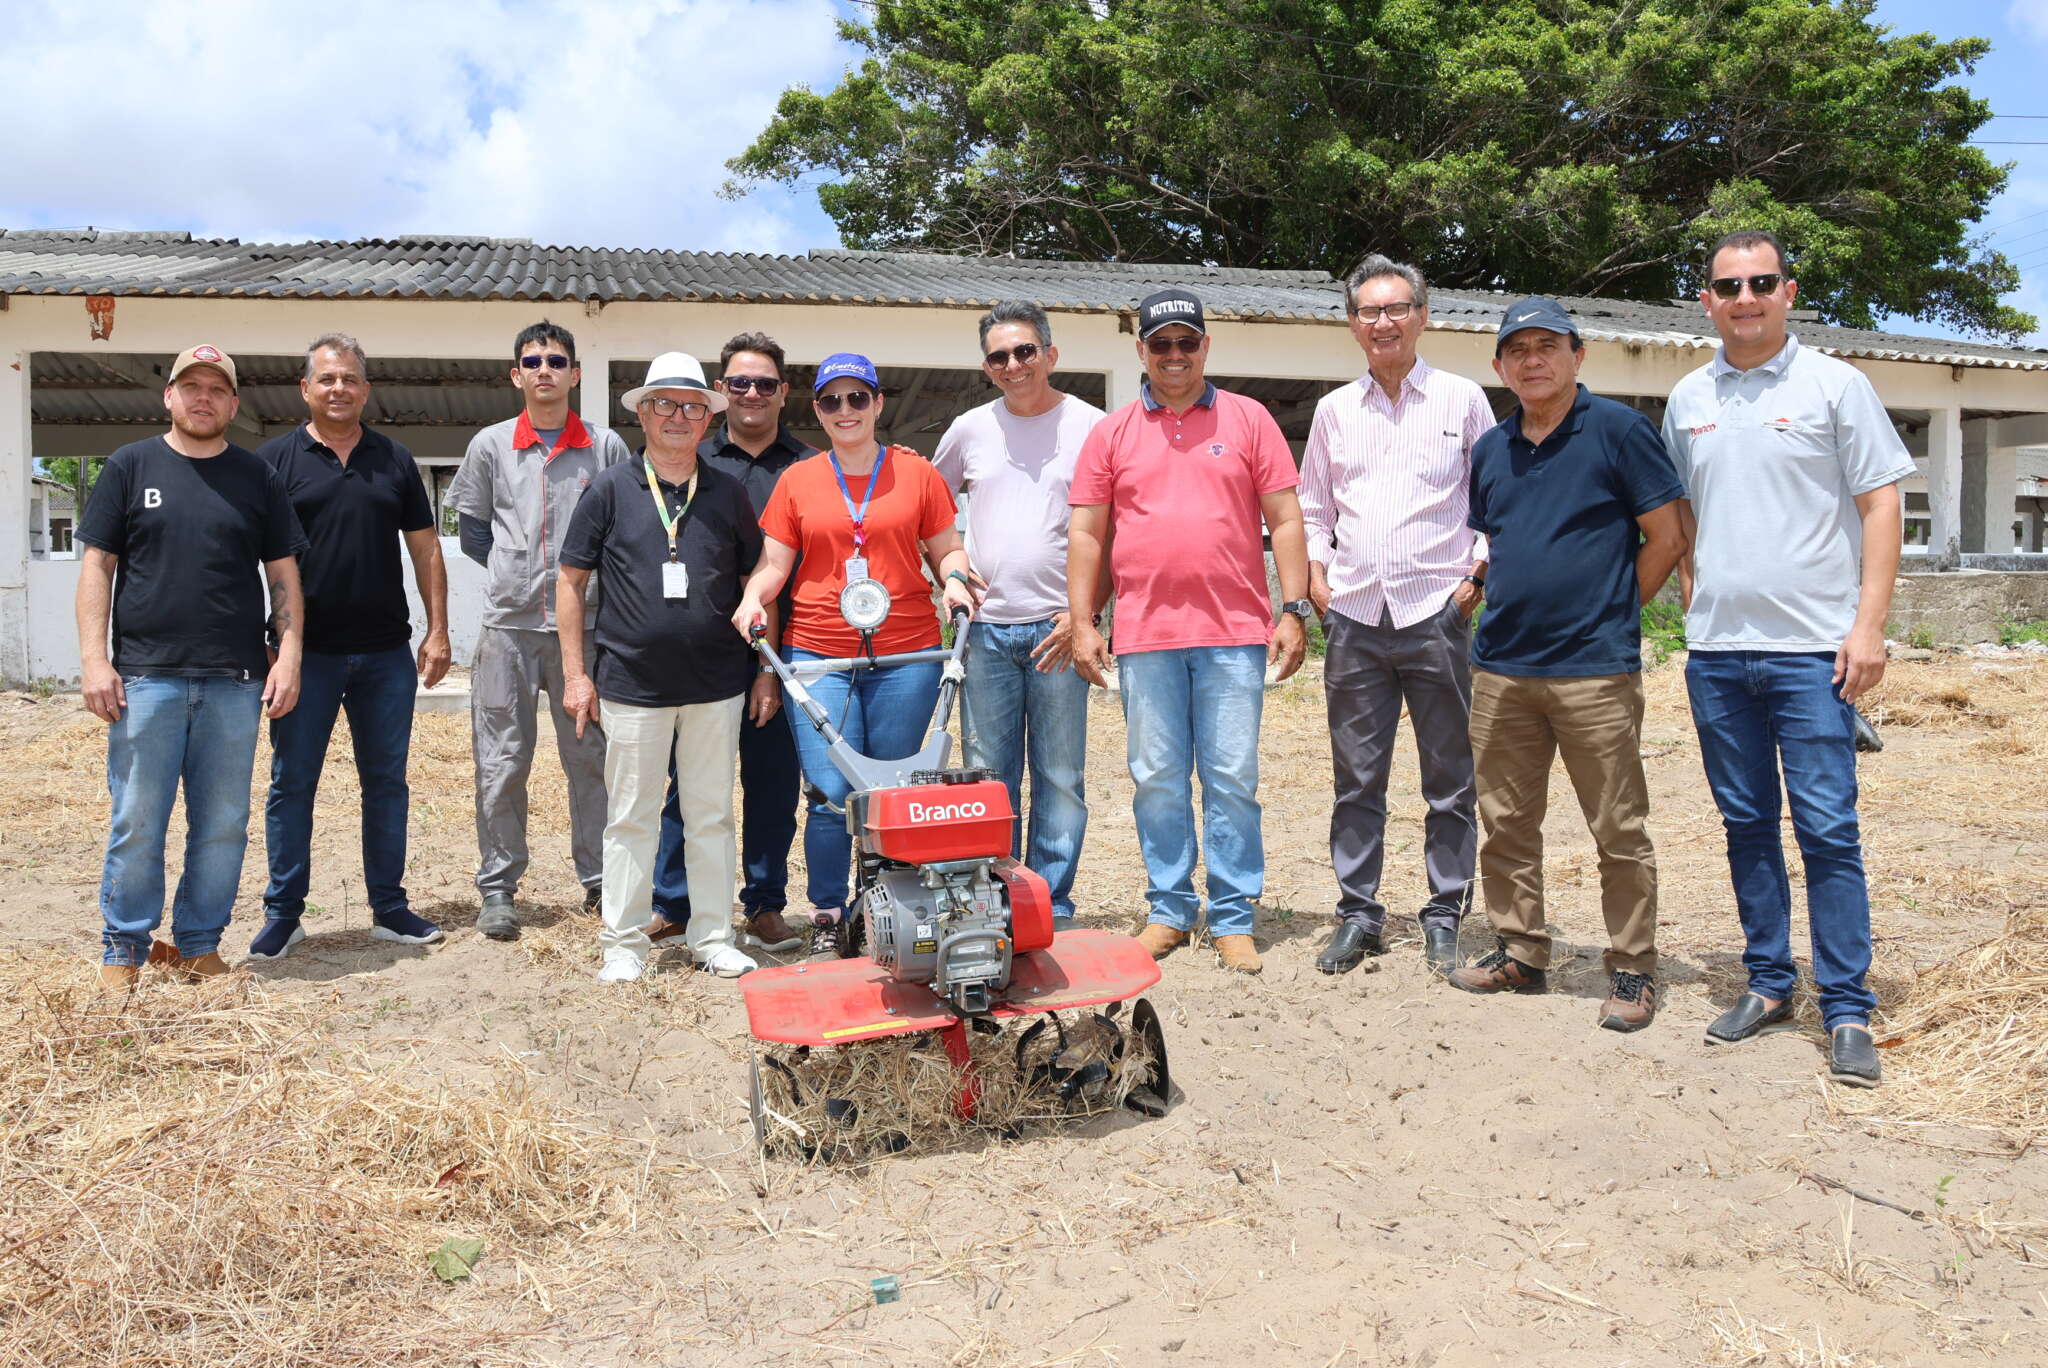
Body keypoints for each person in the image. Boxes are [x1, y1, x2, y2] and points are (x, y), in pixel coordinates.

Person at [1663, 230, 1914, 1088]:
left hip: (1814, 654)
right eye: (1728, 286)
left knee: (1829, 831)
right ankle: (1770, 983)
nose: (1745, 298)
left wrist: (1868, 627)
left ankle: (1847, 1008)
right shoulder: (1688, 396)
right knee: (1745, 827)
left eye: (1761, 282)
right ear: (1707, 300)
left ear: (1789, 291)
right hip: (1718, 656)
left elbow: (1883, 505)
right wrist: (1692, 592)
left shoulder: (1837, 386)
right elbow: (1681, 514)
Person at [1446, 299, 1687, 1033]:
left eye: (1547, 346)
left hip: (1594, 671)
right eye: (1516, 350)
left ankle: (1633, 967)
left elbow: (1668, 538)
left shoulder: (1619, 431)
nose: (1532, 360)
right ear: (1499, 368)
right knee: (1507, 821)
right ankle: (1521, 949)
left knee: (1617, 826)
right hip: (1503, 669)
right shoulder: (1491, 449)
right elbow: (1503, 540)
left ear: (1578, 355)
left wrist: (1614, 612)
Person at [1066, 289, 1311, 975]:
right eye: (1160, 343)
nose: (1175, 356)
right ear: (1140, 350)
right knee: (1158, 780)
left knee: (1231, 777)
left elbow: (1285, 519)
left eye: (1187, 342)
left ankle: (1233, 916)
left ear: (1206, 346)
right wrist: (1084, 621)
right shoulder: (1111, 433)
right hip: (1144, 635)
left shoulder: (1250, 419)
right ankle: (1171, 910)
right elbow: (1087, 532)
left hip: (1234, 631)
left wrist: (1294, 608)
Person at [731, 353, 978, 959]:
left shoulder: (917, 475)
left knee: (894, 790)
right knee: (829, 791)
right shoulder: (798, 481)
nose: (845, 411)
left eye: (857, 398)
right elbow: (774, 565)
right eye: (831, 401)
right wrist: (752, 599)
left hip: (907, 656)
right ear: (816, 410)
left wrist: (954, 578)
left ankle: (887, 909)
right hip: (818, 657)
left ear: (877, 404)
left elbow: (946, 548)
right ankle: (826, 913)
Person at [76, 345, 307, 987]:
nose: (203, 397)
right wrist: (96, 661)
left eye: (216, 389)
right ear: (169, 397)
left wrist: (287, 656)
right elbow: (97, 566)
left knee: (223, 823)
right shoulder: (129, 466)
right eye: (190, 386)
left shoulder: (256, 478)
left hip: (234, 682)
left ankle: (200, 944)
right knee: (137, 817)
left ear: (234, 405)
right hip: (145, 678)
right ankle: (123, 950)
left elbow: (282, 573)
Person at [1299, 256, 1493, 978]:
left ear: (1423, 315)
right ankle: (1359, 914)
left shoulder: (1462, 400)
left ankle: (1445, 914)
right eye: (1368, 312)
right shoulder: (1333, 411)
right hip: (1353, 616)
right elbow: (1314, 504)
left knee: (1449, 776)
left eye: (1396, 308)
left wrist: (1474, 576)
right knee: (1357, 780)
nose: (1382, 322)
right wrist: (1317, 575)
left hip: (1435, 613)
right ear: (1353, 324)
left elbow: (1491, 500)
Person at [558, 353, 768, 983]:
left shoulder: (729, 492)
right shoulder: (608, 489)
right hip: (631, 686)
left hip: (718, 685)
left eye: (693, 406)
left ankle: (712, 937)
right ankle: (623, 942)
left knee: (710, 814)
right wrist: (576, 675)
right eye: (666, 404)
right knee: (631, 815)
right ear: (644, 413)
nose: (679, 416)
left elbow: (758, 580)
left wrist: (762, 668)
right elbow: (570, 583)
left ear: (708, 418)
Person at [250, 334, 451, 960]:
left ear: (366, 390)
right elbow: (250, 558)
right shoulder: (273, 462)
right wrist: (272, 648)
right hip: (304, 657)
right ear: (305, 389)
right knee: (292, 784)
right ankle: (285, 914)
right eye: (327, 379)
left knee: (386, 782)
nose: (339, 388)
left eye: (350, 379)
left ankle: (389, 908)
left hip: (386, 654)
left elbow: (426, 548)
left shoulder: (393, 460)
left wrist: (438, 630)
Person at [448, 321, 630, 941]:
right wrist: (514, 573)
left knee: (593, 760)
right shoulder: (491, 446)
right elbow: (474, 530)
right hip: (508, 629)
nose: (545, 369)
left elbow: (622, 534)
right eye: (534, 360)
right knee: (501, 762)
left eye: (557, 360)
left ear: (576, 374)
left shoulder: (605, 448)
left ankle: (603, 880)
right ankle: (499, 888)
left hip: (587, 630)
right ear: (516, 374)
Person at [934, 301, 1105, 930]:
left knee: (1059, 777)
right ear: (986, 366)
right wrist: (949, 574)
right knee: (989, 779)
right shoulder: (970, 429)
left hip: (1059, 629)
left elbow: (1111, 531)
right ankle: (996, 901)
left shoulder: (1092, 427)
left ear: (1051, 355)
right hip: (983, 631)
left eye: (1025, 351)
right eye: (999, 356)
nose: (1013, 364)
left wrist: (1085, 615)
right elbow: (932, 510)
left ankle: (1050, 905)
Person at [647, 333, 815, 952]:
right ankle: (674, 901)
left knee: (772, 783)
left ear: (783, 393)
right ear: (720, 391)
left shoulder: (808, 467)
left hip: (783, 648)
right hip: (699, 652)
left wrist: (773, 662)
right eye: (739, 382)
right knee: (685, 782)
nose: (751, 393)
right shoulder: (693, 457)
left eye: (765, 383)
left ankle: (765, 904)